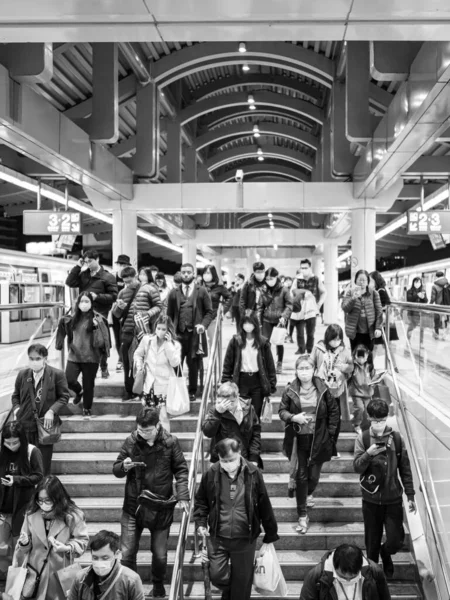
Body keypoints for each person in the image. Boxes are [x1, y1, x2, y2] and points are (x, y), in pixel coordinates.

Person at [113, 407, 189, 598]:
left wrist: (183, 495)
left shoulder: (170, 442)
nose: (143, 433)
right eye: (140, 430)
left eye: (147, 430)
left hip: (160, 506)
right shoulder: (131, 441)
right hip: (133, 506)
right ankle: (132, 590)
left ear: (157, 426)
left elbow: (181, 470)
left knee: (160, 554)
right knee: (127, 552)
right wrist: (123, 466)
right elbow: (116, 469)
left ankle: (158, 585)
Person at [194, 438, 279, 600]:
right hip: (218, 536)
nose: (228, 464)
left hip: (244, 538)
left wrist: (270, 532)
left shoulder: (253, 473)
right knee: (217, 575)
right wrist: (200, 523)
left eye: (231, 460)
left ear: (240, 453)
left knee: (243, 581)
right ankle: (232, 591)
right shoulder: (211, 473)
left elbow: (263, 503)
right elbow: (201, 501)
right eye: (223, 460)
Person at [353, 398, 416, 579]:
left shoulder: (396, 438)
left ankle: (386, 552)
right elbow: (357, 467)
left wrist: (410, 495)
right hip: (371, 500)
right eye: (375, 421)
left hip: (393, 499)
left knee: (396, 541)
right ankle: (374, 578)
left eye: (382, 420)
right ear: (369, 418)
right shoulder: (363, 438)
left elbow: (405, 468)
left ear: (387, 418)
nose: (379, 424)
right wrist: (368, 454)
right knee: (371, 544)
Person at [279, 355, 339, 534]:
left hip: (318, 440)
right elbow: (282, 411)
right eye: (301, 368)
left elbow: (334, 413)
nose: (304, 372)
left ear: (313, 370)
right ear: (296, 370)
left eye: (307, 368)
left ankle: (306, 494)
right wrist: (293, 417)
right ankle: (302, 516)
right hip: (298, 441)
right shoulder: (290, 390)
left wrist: (330, 436)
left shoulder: (323, 389)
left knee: (313, 477)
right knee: (302, 477)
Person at [14, 475, 89, 600]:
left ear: (57, 498)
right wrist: (24, 543)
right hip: (34, 574)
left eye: (48, 500)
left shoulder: (73, 516)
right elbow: (23, 545)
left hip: (60, 574)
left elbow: (82, 541)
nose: (43, 504)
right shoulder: (31, 514)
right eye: (40, 500)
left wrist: (67, 547)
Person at [12, 343, 69, 475]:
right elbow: (15, 396)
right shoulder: (22, 375)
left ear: (45, 358)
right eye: (31, 358)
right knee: (25, 466)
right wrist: (16, 410)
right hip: (25, 427)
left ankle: (43, 494)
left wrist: (52, 411)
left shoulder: (56, 374)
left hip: (44, 428)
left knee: (43, 467)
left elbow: (64, 397)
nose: (34, 361)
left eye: (38, 358)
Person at [0, 422, 44, 580]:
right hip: (3, 508)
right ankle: (5, 580)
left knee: (20, 546)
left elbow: (38, 476)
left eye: (15, 442)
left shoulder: (32, 451)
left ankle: (18, 580)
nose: (11, 446)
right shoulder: (2, 452)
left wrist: (16, 480)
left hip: (22, 507)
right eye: (7, 442)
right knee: (2, 548)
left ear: (22, 440)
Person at [57, 292, 110, 419]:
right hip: (74, 356)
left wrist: (104, 363)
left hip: (91, 357)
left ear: (91, 303)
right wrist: (59, 344)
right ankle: (79, 392)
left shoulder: (98, 319)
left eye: (87, 301)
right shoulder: (71, 318)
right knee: (68, 380)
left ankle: (87, 408)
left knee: (88, 384)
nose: (84, 304)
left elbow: (106, 341)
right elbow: (61, 327)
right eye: (82, 301)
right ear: (78, 303)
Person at [65, 249, 118, 378]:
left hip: (100, 314)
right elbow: (69, 282)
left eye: (90, 261)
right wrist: (78, 266)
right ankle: (87, 367)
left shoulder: (108, 277)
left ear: (97, 259)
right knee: (84, 341)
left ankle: (104, 366)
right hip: (83, 314)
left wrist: (97, 297)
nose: (88, 264)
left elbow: (113, 296)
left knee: (101, 341)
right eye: (86, 262)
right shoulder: (84, 275)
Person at [166, 263, 214, 401]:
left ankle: (192, 391)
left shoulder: (202, 291)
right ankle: (178, 390)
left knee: (193, 364)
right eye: (183, 272)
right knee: (176, 362)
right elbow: (169, 314)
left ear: (193, 274)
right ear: (181, 274)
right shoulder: (173, 293)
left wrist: (203, 326)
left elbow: (209, 312)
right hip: (178, 334)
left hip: (195, 334)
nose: (186, 274)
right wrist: (169, 331)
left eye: (188, 272)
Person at [221, 314, 277, 418]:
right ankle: (244, 434)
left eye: (250, 323)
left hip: (258, 381)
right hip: (241, 380)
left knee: (256, 414)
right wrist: (226, 381)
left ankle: (256, 434)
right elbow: (228, 363)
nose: (248, 325)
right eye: (245, 323)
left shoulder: (263, 342)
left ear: (255, 324)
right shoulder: (236, 341)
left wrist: (272, 384)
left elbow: (270, 365)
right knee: (242, 414)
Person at [310, 324, 353, 459]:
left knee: (335, 420)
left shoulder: (345, 351)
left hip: (337, 391)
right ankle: (320, 446)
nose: (336, 342)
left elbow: (351, 367)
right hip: (321, 390)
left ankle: (332, 447)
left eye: (339, 339)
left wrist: (343, 367)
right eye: (333, 339)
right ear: (327, 338)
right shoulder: (319, 348)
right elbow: (310, 364)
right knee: (321, 418)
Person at [69, 530, 145, 600]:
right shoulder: (80, 578)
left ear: (116, 554)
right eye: (95, 557)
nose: (99, 562)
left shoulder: (131, 580)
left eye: (105, 558)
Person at [300, 543, 391, 600]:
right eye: (342, 577)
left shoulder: (374, 572)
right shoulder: (316, 576)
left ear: (360, 568)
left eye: (353, 578)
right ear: (334, 566)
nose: (348, 581)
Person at [203, 382, 262, 467]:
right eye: (224, 402)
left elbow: (255, 434)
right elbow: (208, 432)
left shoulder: (249, 408)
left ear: (238, 396)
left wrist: (254, 457)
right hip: (222, 459)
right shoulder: (215, 410)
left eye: (231, 402)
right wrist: (217, 414)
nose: (228, 405)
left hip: (244, 458)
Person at [134, 314, 181, 417]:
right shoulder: (147, 340)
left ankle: (163, 434)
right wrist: (139, 366)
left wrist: (168, 344)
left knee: (163, 418)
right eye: (158, 328)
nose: (160, 331)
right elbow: (137, 354)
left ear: (168, 330)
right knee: (148, 418)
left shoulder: (174, 345)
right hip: (149, 385)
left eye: (163, 329)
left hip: (165, 386)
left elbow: (175, 363)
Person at [111, 266, 141, 400]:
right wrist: (118, 308)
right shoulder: (122, 293)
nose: (128, 284)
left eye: (130, 280)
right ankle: (129, 391)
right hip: (127, 331)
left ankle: (141, 390)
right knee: (127, 362)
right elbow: (116, 315)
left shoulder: (143, 290)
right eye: (126, 282)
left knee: (141, 363)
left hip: (141, 332)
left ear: (136, 276)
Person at [257, 267, 293, 374]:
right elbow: (260, 306)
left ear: (276, 277)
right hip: (266, 320)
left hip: (280, 321)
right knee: (265, 343)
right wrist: (259, 321)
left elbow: (289, 305)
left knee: (279, 342)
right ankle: (267, 363)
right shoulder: (264, 290)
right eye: (267, 279)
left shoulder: (284, 290)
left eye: (271, 278)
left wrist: (284, 316)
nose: (269, 281)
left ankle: (279, 363)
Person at [342, 270, 383, 351]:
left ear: (368, 281)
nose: (362, 282)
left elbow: (379, 312)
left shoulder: (374, 293)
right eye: (359, 279)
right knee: (355, 356)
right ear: (355, 281)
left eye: (364, 280)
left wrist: (378, 327)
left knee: (368, 358)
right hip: (354, 332)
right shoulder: (350, 292)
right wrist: (353, 298)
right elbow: (345, 308)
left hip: (370, 332)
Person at [348, 345, 381, 434]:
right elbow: (347, 376)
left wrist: (376, 381)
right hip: (357, 393)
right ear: (355, 356)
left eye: (364, 356)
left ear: (367, 357)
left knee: (368, 410)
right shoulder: (353, 367)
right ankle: (356, 424)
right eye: (359, 356)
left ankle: (370, 427)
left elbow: (374, 377)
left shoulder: (369, 367)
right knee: (359, 408)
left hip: (368, 392)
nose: (361, 358)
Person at [202, 265, 232, 348]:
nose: (206, 275)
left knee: (212, 342)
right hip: (200, 318)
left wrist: (223, 310)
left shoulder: (220, 287)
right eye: (204, 273)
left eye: (208, 273)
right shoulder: (200, 287)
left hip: (213, 317)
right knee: (201, 343)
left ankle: (212, 361)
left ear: (213, 274)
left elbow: (229, 297)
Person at [112, 254, 132, 373]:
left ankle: (123, 359)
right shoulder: (112, 278)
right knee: (117, 337)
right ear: (117, 265)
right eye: (121, 264)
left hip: (128, 313)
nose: (122, 267)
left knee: (126, 336)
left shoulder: (131, 280)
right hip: (115, 312)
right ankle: (121, 359)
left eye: (125, 265)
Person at [134, 267, 163, 338]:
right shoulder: (136, 286)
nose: (142, 276)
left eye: (144, 274)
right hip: (135, 320)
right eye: (140, 274)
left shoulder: (152, 287)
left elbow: (158, 306)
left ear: (148, 275)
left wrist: (148, 314)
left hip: (146, 321)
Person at [406, 277, 428, 345]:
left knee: (422, 328)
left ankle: (421, 342)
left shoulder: (423, 291)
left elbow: (426, 301)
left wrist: (423, 298)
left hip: (420, 313)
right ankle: (408, 339)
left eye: (419, 282)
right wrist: (417, 295)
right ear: (413, 283)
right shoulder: (409, 291)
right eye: (416, 282)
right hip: (412, 312)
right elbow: (409, 300)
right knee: (411, 326)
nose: (417, 284)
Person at [430, 270, 449, 339]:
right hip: (446, 305)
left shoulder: (434, 286)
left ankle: (436, 334)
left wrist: (430, 304)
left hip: (438, 306)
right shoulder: (447, 284)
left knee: (436, 320)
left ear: (436, 277)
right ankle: (444, 335)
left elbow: (433, 297)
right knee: (445, 320)